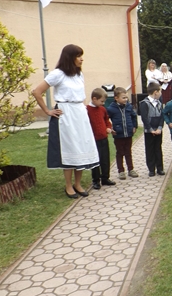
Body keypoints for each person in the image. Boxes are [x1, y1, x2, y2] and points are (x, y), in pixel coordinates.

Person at [32, 44, 99, 198]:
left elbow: (81, 95)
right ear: (70, 57)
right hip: (66, 115)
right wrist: (48, 111)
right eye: (78, 56)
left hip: (79, 113)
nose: (82, 59)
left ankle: (78, 184)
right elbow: (37, 92)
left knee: (81, 148)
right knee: (69, 149)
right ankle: (68, 185)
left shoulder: (79, 74)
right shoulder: (58, 74)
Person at [106, 87, 139, 180]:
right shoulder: (111, 108)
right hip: (118, 134)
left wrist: (134, 126)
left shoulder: (129, 106)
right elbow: (106, 119)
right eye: (123, 97)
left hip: (128, 133)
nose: (126, 99)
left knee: (128, 152)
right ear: (116, 98)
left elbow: (134, 116)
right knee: (120, 152)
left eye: (126, 97)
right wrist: (110, 128)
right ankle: (121, 171)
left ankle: (131, 169)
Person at [86, 88, 115, 190]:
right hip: (94, 140)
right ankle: (96, 180)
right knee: (96, 160)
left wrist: (108, 127)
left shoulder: (102, 109)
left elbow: (107, 120)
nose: (103, 104)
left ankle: (105, 178)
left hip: (104, 138)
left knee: (105, 159)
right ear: (94, 99)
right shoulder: (87, 110)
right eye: (101, 101)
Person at [139, 82, 165, 177]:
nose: (161, 93)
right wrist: (150, 129)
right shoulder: (144, 103)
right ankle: (151, 169)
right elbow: (144, 118)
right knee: (150, 149)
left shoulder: (159, 103)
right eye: (160, 91)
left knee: (158, 148)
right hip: (149, 131)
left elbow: (162, 116)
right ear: (155, 92)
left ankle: (160, 168)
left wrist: (159, 128)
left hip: (158, 130)